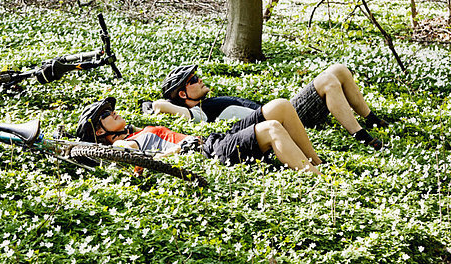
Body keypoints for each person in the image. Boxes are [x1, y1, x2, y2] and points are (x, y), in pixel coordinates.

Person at [152, 64, 388, 150]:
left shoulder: (207, 102)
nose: (199, 79)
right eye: (193, 80)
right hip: (286, 118)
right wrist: (158, 104)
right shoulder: (199, 112)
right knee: (327, 80)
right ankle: (360, 135)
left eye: (196, 75)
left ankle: (373, 120)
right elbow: (175, 110)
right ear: (183, 93)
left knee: (338, 70)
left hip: (284, 110)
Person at [76, 96, 327, 175]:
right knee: (272, 128)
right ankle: (317, 180)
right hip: (208, 153)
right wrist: (175, 151)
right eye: (107, 114)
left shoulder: (136, 131)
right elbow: (129, 159)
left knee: (280, 106)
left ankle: (317, 163)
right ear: (99, 130)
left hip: (212, 140)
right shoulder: (124, 144)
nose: (115, 112)